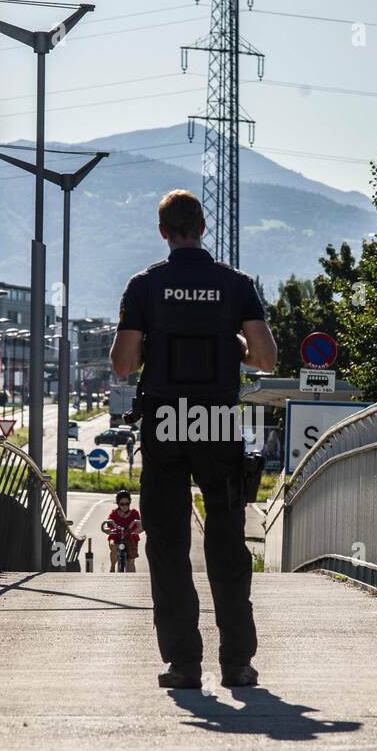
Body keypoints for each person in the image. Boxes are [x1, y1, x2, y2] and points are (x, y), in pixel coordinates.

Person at [110, 189, 278, 689]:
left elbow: (123, 364)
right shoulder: (236, 285)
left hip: (165, 422)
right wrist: (235, 344)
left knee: (167, 543)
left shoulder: (145, 287)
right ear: (202, 226)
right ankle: (237, 664)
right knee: (227, 542)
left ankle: (184, 664)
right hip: (219, 424)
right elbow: (267, 360)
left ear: (163, 232)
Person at [104, 489, 142, 573]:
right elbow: (108, 524)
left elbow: (139, 525)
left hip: (131, 538)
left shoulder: (134, 513)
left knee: (131, 561)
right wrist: (108, 530)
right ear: (118, 504)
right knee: (113, 546)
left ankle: (131, 579)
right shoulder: (113, 513)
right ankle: (113, 567)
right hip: (116, 536)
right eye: (122, 504)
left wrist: (138, 529)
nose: (124, 506)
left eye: (127, 504)